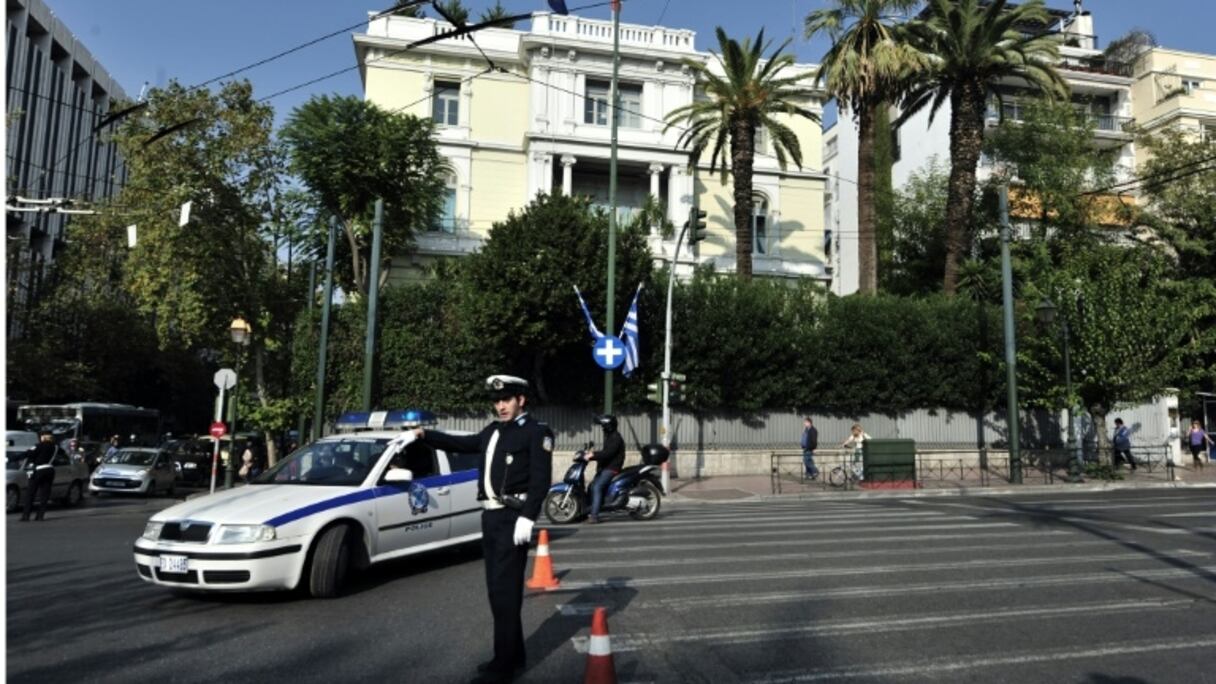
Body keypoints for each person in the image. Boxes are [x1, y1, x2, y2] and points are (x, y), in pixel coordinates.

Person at [413, 374, 553, 684]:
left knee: (504, 593)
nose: (500, 406)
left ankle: (502, 668)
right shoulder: (493, 431)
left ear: (521, 400)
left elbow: (541, 480)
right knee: (498, 592)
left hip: (511, 517)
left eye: (506, 400)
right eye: (497, 401)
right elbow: (462, 444)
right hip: (490, 518)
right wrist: (425, 435)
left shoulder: (536, 432)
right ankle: (512, 655)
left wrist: (528, 517)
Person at [583, 414, 625, 524]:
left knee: (597, 487)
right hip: (606, 467)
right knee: (591, 486)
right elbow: (604, 453)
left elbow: (607, 454)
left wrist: (593, 455)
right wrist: (592, 454)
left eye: (603, 426)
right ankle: (589, 509)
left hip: (612, 468)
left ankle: (594, 516)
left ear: (609, 426)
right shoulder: (610, 437)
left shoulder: (616, 438)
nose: (602, 428)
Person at [21, 431, 57, 522]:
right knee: (44, 495)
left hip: (39, 470)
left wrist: (12, 459)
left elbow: (28, 454)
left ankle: (26, 516)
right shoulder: (55, 447)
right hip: (50, 470)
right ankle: (40, 516)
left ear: (43, 437)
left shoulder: (39, 446)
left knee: (30, 493)